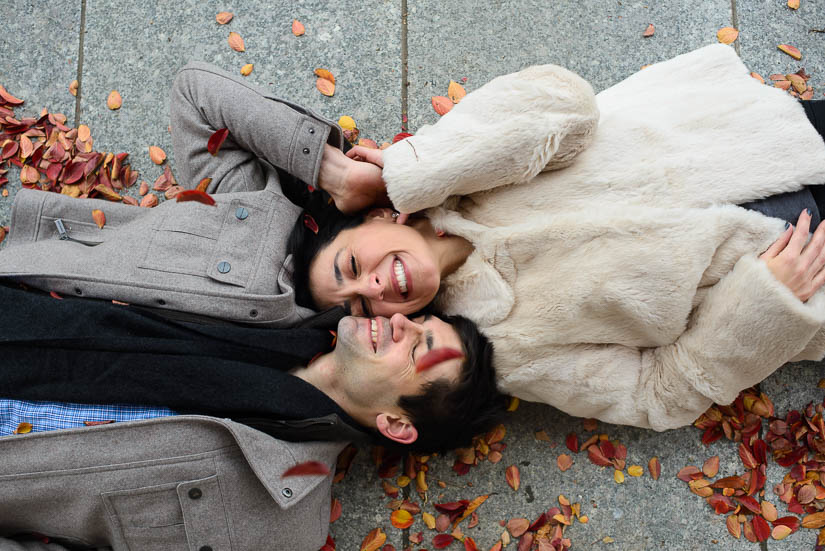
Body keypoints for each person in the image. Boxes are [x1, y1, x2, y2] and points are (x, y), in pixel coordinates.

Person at [290, 43, 825, 431]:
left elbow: (565, 103)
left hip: (766, 142)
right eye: (362, 304)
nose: (377, 287)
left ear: (379, 219)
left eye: (353, 266)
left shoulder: (454, 173)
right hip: (803, 266)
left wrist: (408, 174)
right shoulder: (503, 350)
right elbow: (652, 396)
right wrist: (760, 302)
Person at [0, 282, 504, 550]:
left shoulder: (281, 523)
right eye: (417, 320)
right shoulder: (274, 288)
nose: (398, 321)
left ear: (396, 424)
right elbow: (197, 99)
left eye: (419, 350)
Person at [0, 61, 387, 328]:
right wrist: (336, 173)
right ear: (380, 217)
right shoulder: (253, 199)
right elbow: (194, 94)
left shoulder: (388, 337)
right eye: (351, 264)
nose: (373, 287)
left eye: (361, 308)